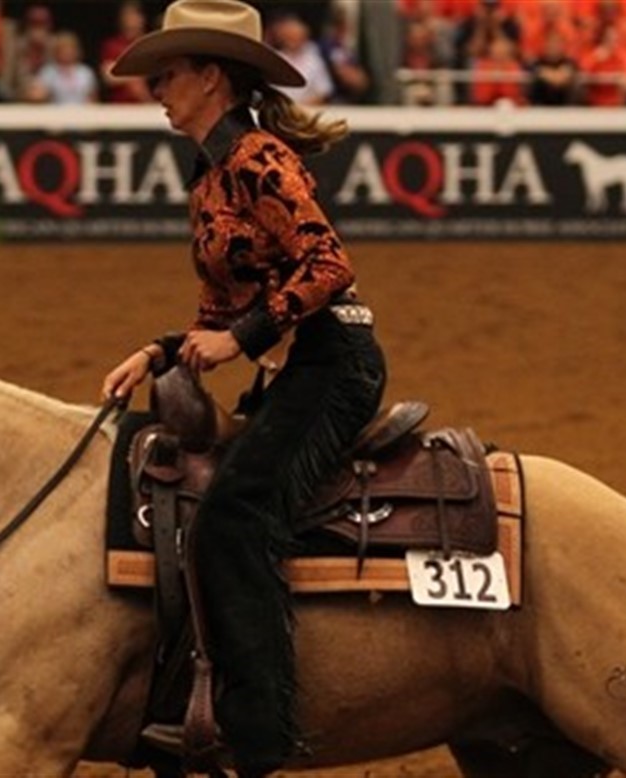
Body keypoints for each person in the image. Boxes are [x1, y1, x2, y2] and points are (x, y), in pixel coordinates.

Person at [105, 0, 386, 772]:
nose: (156, 89)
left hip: (333, 364)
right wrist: (161, 352)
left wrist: (242, 340)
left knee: (234, 517)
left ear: (210, 77)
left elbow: (329, 264)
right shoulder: (210, 176)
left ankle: (257, 728)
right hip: (296, 364)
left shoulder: (258, 158)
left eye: (167, 74)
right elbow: (219, 313)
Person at [268, 12, 335, 105]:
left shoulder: (314, 60)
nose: (293, 41)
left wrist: (300, 107)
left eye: (296, 37)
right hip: (281, 108)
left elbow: (324, 91)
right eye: (290, 37)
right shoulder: (274, 58)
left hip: (307, 109)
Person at [101, 0, 153, 103]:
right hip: (121, 106)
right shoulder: (112, 45)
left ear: (142, 19)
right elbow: (109, 76)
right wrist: (134, 77)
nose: (131, 21)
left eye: (134, 16)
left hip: (150, 104)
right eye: (128, 16)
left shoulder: (150, 43)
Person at [1, 5, 55, 102]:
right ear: (27, 25)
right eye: (34, 23)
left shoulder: (55, 47)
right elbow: (5, 84)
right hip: (19, 100)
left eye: (42, 24)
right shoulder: (15, 47)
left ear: (49, 25)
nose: (38, 28)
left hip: (50, 102)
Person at [31, 31, 98, 105]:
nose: (67, 52)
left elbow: (93, 98)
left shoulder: (85, 72)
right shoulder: (48, 72)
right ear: (56, 51)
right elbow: (37, 95)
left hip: (81, 111)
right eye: (63, 49)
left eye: (70, 49)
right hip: (56, 111)